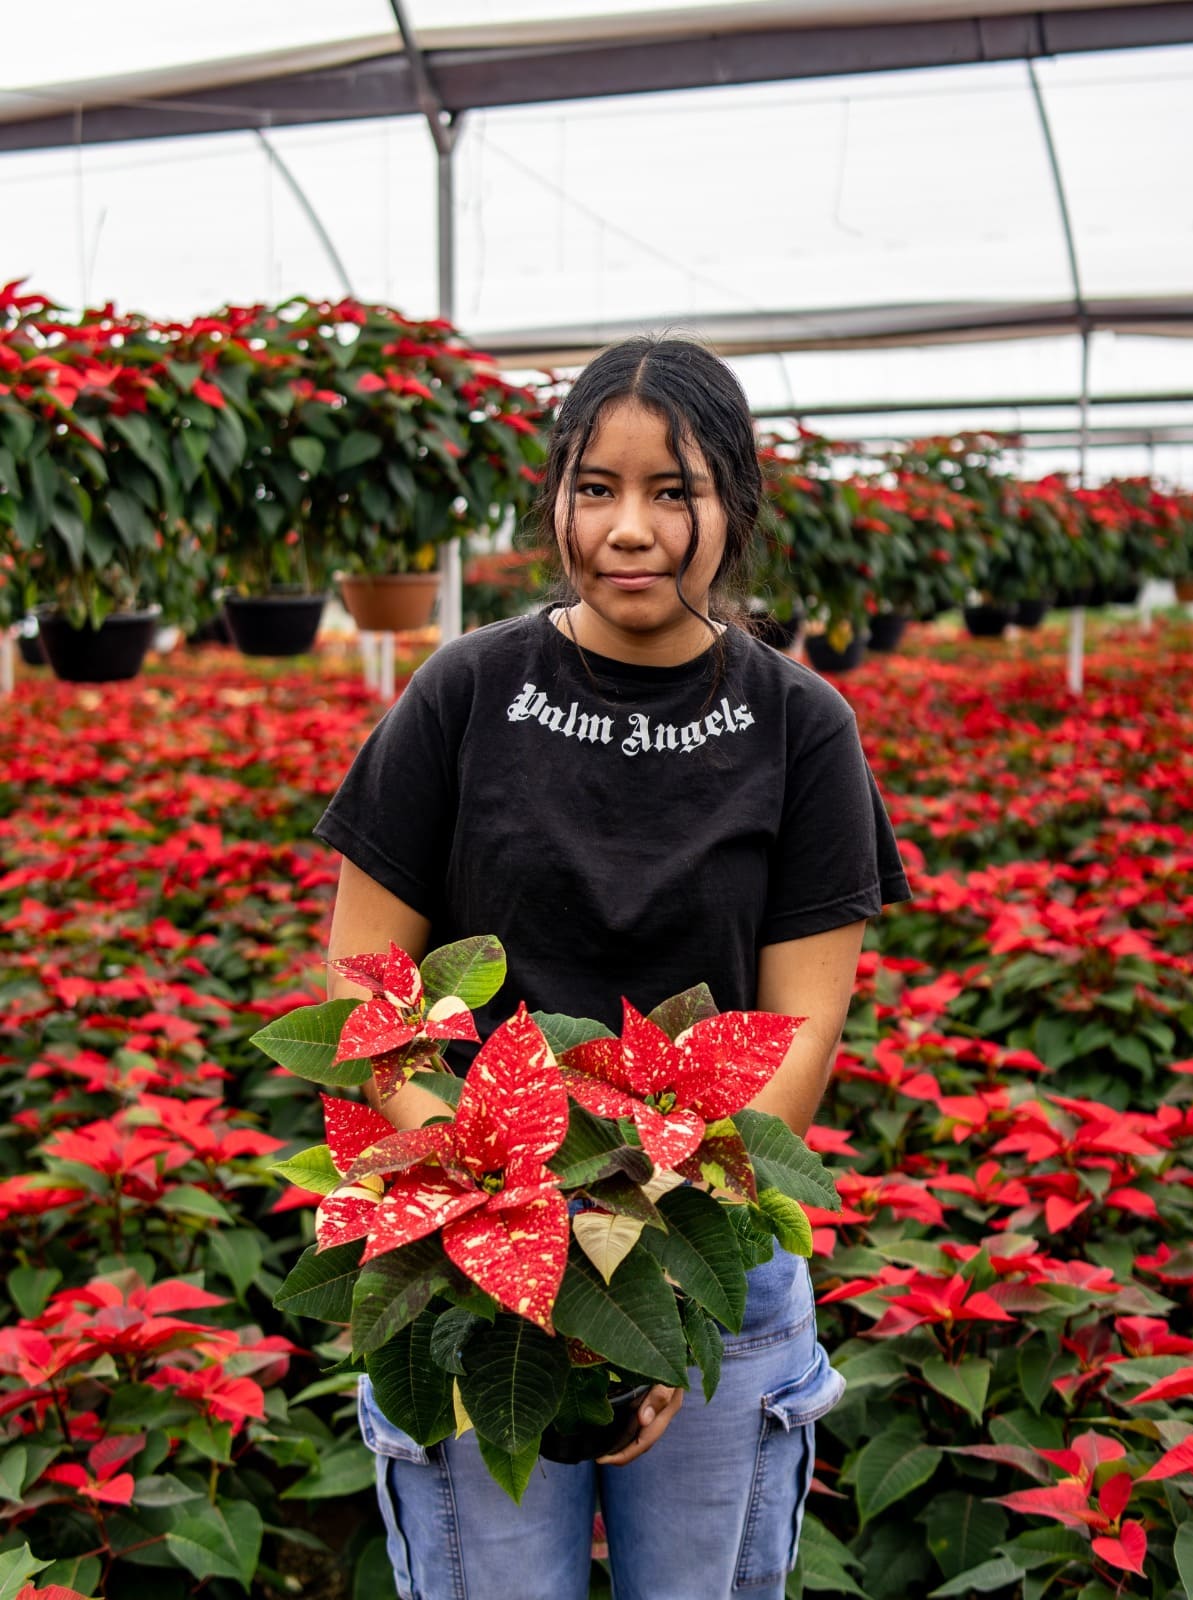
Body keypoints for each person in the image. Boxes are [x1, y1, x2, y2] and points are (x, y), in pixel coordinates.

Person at [314, 335, 910, 1600]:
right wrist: (498, 1214)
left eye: (671, 490)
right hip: (474, 1264)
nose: (628, 527)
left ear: (733, 505)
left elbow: (798, 1039)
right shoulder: (466, 691)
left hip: (705, 1254)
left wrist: (641, 1256)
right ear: (557, 501)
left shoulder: (802, 727)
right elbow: (365, 989)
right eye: (596, 488)